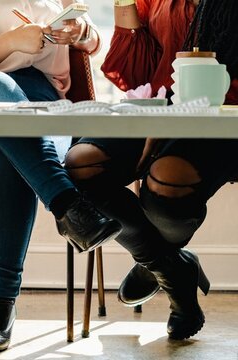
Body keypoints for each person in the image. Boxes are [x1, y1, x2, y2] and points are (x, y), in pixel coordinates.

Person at [0, 0, 122, 353]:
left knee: (8, 146)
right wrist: (9, 42)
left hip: (40, 103)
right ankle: (67, 202)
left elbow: (92, 44)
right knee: (0, 92)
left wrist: (81, 32)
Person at [64, 0, 238, 340]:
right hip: (157, 109)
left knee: (168, 177)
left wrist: (176, 117)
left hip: (224, 116)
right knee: (80, 164)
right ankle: (169, 266)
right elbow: (137, 76)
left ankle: (157, 264)